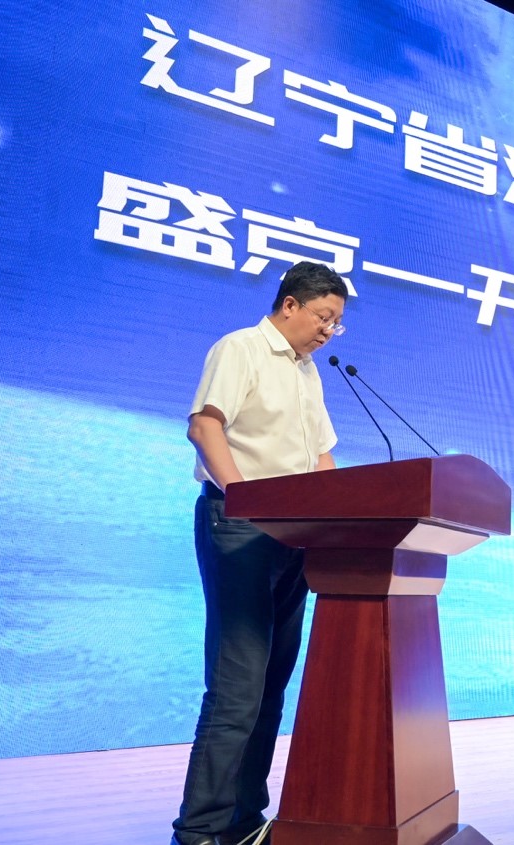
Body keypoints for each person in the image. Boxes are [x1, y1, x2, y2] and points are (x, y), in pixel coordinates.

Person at [171, 261, 349, 845]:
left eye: (336, 324)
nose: (328, 331)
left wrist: (341, 514)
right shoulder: (241, 348)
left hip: (295, 538)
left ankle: (244, 824)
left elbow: (321, 458)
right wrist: (246, 500)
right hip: (240, 528)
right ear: (290, 304)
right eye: (323, 317)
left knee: (271, 688)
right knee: (236, 689)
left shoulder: (308, 373)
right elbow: (205, 427)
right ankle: (197, 832)